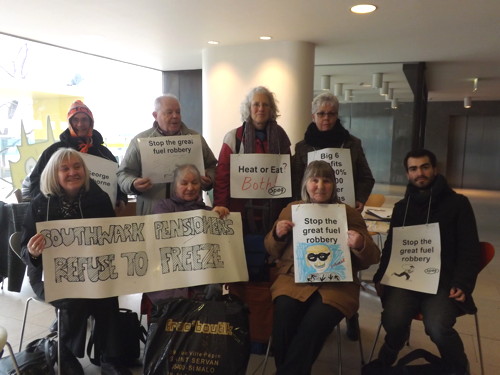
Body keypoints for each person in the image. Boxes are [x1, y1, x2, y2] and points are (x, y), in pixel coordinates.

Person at [20, 148, 131, 375]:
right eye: (65, 168)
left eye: (77, 167)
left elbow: (110, 239)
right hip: (49, 274)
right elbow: (24, 249)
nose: (73, 172)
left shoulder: (99, 198)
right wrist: (33, 252)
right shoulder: (40, 204)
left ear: (85, 170)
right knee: (75, 297)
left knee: (107, 295)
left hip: (92, 270)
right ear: (54, 173)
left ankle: (110, 358)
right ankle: (65, 353)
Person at [264, 160, 380, 374]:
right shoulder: (292, 209)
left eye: (326, 180)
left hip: (337, 285)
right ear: (305, 184)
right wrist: (277, 234)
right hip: (294, 280)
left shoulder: (347, 213)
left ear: (334, 185)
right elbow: (272, 250)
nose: (320, 185)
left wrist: (360, 244)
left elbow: (372, 257)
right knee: (284, 318)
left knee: (314, 324)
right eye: (314, 179)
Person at [372, 149, 480, 375]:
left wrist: (463, 283)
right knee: (393, 319)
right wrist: (381, 275)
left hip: (443, 280)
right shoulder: (402, 208)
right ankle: (390, 352)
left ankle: (459, 367)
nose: (419, 173)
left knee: (438, 326)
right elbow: (392, 246)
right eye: (413, 169)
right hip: (408, 279)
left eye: (425, 167)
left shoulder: (458, 204)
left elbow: (470, 249)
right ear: (407, 174)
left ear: (435, 169)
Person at [214, 86, 291, 259]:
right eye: (256, 104)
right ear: (248, 108)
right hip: (240, 211)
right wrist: (221, 205)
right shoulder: (233, 137)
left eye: (265, 105)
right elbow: (222, 176)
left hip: (274, 211)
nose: (261, 109)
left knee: (270, 258)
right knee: (242, 259)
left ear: (272, 109)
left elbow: (288, 175)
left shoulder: (281, 138)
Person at [142, 164, 229, 312]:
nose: (190, 187)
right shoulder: (163, 207)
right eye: (184, 183)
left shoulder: (209, 211)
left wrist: (219, 217)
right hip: (169, 278)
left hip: (202, 281)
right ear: (175, 186)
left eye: (195, 183)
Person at [117, 94, 217, 215]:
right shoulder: (140, 141)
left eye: (178, 112)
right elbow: (123, 174)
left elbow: (213, 166)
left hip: (190, 214)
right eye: (169, 112)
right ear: (155, 115)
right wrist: (133, 184)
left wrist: (209, 178)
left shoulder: (195, 139)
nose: (175, 116)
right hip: (152, 214)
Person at [28, 100, 128, 211]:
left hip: (95, 214)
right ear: (69, 122)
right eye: (75, 120)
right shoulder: (54, 152)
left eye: (84, 119)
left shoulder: (104, 153)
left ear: (91, 122)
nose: (80, 124)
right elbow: (35, 182)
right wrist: (45, 205)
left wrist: (121, 198)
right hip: (59, 216)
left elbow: (119, 179)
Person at [292, 92, 374, 212]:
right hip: (309, 211)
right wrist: (299, 205)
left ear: (337, 116)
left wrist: (360, 199)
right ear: (313, 117)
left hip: (344, 210)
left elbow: (366, 178)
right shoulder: (302, 147)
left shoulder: (352, 144)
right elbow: (296, 181)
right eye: (321, 114)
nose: (326, 118)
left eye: (331, 113)